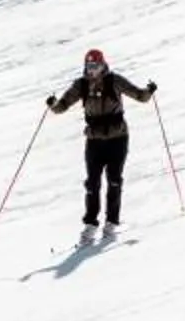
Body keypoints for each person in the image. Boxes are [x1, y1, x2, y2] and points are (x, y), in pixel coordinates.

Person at [46, 47, 155, 233]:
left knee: (114, 180)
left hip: (117, 138)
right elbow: (62, 106)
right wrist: (53, 104)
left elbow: (139, 95)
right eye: (89, 66)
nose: (92, 70)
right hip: (94, 141)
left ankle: (111, 222)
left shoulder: (115, 80)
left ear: (103, 65)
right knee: (92, 183)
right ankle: (90, 223)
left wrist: (149, 91)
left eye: (95, 66)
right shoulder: (81, 85)